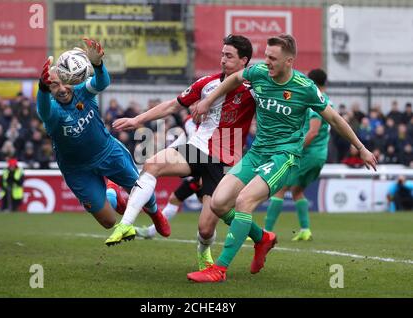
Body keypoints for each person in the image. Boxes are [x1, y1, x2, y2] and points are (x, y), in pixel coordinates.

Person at [188, 33, 378, 283]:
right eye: (266, 56)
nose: (266, 62)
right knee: (219, 203)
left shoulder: (305, 88)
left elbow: (333, 118)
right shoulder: (258, 73)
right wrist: (208, 100)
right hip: (257, 152)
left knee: (244, 201)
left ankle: (219, 269)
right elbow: (235, 78)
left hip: (283, 156)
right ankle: (262, 238)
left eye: (273, 58)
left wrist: (361, 147)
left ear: (289, 61)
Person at [108, 35, 265, 271]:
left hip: (224, 161)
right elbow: (173, 105)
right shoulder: (207, 83)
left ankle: (206, 254)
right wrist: (137, 119)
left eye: (229, 56)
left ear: (244, 61)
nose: (223, 60)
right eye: (222, 54)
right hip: (198, 148)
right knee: (152, 165)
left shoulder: (255, 89)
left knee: (205, 229)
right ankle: (126, 223)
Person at [36, 38, 169, 238]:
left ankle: (156, 214)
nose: (62, 89)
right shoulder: (53, 110)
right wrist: (42, 88)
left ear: (73, 79)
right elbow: (43, 110)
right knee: (108, 222)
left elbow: (102, 82)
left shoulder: (83, 92)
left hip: (108, 152)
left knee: (141, 190)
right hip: (77, 170)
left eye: (64, 82)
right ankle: (112, 194)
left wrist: (98, 64)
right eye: (54, 85)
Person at [264, 68, 332, 241]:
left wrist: (296, 149)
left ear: (311, 82)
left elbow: (313, 132)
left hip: (308, 154)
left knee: (279, 188)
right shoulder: (328, 101)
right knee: (297, 191)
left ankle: (266, 232)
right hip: (320, 155)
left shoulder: (315, 102)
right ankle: (305, 230)